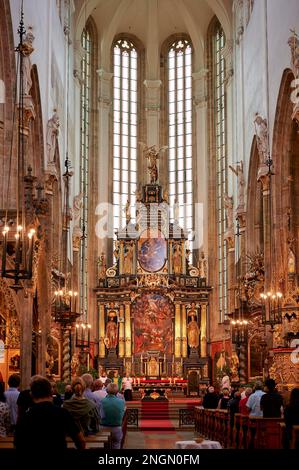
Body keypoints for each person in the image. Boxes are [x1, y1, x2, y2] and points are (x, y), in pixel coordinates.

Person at [15, 376, 85, 453]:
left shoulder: (25, 417)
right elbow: (80, 441)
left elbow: (18, 444)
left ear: (31, 395)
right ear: (51, 392)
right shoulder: (63, 413)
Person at [100, 383, 125, 449]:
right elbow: (122, 413)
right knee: (116, 444)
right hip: (117, 427)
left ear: (107, 391)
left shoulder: (102, 401)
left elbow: (101, 415)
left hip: (104, 427)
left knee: (104, 445)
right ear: (117, 392)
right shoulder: (121, 402)